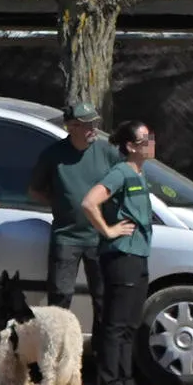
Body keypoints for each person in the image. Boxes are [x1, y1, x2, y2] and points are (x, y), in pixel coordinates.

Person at [80, 121, 158, 385]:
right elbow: (89, 202)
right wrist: (109, 230)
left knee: (130, 325)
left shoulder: (140, 173)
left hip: (138, 255)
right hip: (121, 255)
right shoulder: (121, 172)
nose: (150, 143)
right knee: (115, 325)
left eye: (150, 138)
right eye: (144, 140)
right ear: (129, 146)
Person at [28, 102, 121, 316]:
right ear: (71, 127)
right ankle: (59, 346)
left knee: (103, 297)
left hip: (101, 237)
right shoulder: (53, 155)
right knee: (60, 296)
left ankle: (101, 349)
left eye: (95, 122)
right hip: (66, 237)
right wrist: (60, 203)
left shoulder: (107, 151)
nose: (94, 128)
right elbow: (35, 190)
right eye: (87, 124)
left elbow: (124, 181)